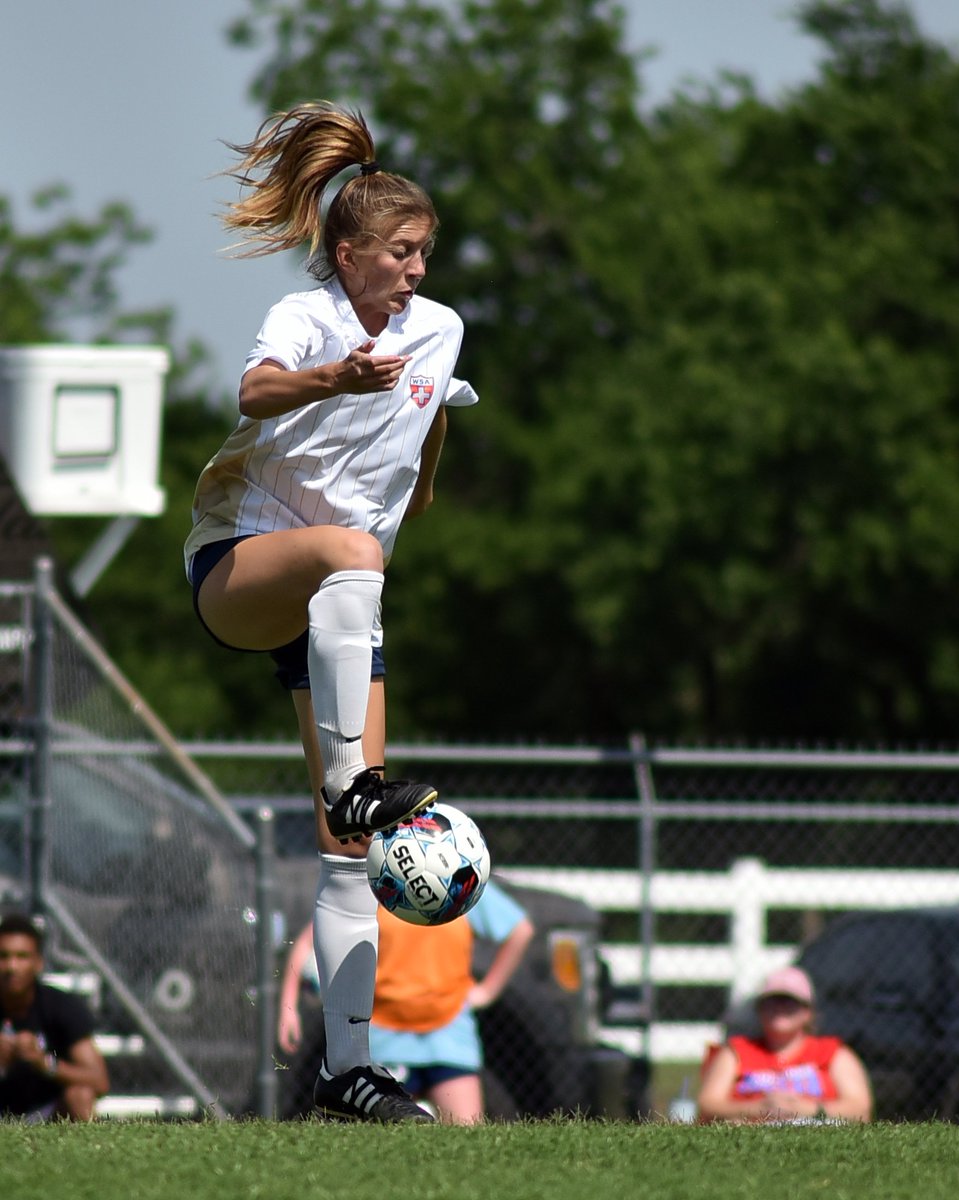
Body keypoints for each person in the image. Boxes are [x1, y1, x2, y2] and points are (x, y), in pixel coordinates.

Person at [185, 101, 477, 1123]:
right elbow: (258, 390)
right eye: (401, 252)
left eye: (424, 252)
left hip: (340, 610)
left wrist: (429, 434)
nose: (416, 270)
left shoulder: (438, 333)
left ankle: (349, 1074)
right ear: (346, 252)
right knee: (350, 558)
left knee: (354, 851)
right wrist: (332, 379)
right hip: (243, 572)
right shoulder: (305, 318)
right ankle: (359, 782)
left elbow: (421, 442)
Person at [278, 880, 534, 1124]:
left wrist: (487, 991)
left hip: (449, 1036)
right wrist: (288, 1010)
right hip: (383, 1037)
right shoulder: (375, 881)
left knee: (468, 1139)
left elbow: (520, 930)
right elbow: (310, 939)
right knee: (378, 1145)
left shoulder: (458, 882)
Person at [696, 965, 873, 1124]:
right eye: (772, 1000)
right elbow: (708, 1105)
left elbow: (860, 1108)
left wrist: (810, 1110)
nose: (779, 1008)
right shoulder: (736, 1052)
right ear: (759, 1008)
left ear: (808, 1012)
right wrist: (760, 1108)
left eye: (789, 1001)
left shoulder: (833, 1053)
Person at [0, 913, 110, 1122]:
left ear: (38, 963)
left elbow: (99, 1081)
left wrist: (45, 1063)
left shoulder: (60, 1006)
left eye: (22, 957)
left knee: (80, 1096)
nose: (11, 967)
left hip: (47, 1114)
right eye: (3, 956)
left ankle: (95, 1154)